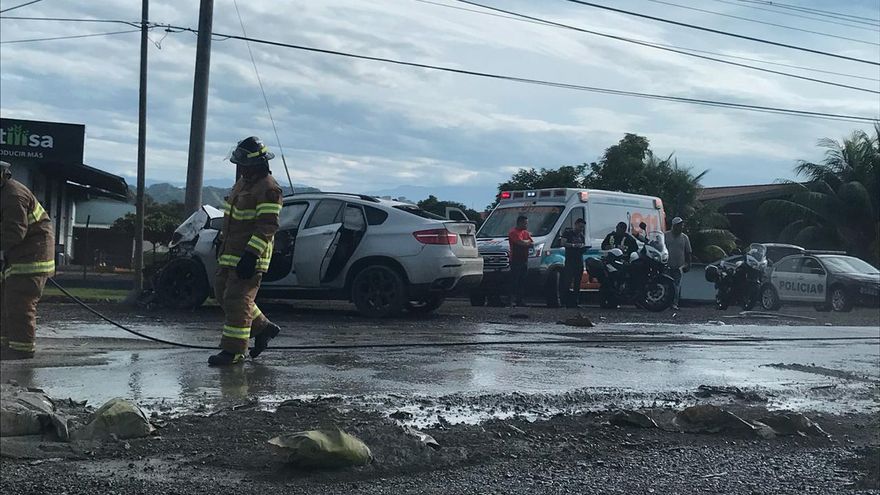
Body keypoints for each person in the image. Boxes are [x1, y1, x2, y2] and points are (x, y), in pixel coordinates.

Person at [208, 136, 284, 366]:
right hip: (231, 253)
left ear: (256, 164)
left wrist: (251, 255)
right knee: (222, 293)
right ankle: (263, 328)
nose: (240, 169)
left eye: (243, 164)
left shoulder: (269, 189)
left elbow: (267, 226)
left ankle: (233, 351)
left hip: (251, 256)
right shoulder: (243, 184)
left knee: (237, 300)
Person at [0, 160, 55, 360]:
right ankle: (6, 345)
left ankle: (21, 350)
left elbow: (14, 233)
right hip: (17, 257)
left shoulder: (13, 195)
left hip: (31, 259)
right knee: (5, 302)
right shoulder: (4, 193)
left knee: (19, 303)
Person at [558, 218, 587, 308]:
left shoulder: (581, 236)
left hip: (579, 261)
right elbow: (562, 243)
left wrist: (582, 247)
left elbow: (583, 245)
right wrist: (573, 245)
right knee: (567, 282)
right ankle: (564, 302)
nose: (581, 229)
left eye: (583, 227)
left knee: (577, 283)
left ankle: (575, 302)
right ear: (576, 224)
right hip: (570, 261)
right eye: (580, 226)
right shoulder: (568, 233)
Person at [665, 216, 692, 310]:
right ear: (674, 226)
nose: (680, 227)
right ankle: (666, 303)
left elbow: (688, 252)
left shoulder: (684, 238)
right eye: (678, 225)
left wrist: (688, 264)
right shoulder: (665, 235)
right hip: (666, 265)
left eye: (681, 225)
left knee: (676, 286)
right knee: (667, 285)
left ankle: (674, 303)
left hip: (679, 266)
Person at [507, 215, 533, 307]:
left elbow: (532, 243)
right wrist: (526, 242)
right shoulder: (513, 232)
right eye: (525, 223)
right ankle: (510, 300)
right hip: (515, 259)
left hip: (524, 258)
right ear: (520, 223)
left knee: (522, 280)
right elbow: (520, 242)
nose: (526, 225)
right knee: (514, 280)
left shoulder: (526, 233)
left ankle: (520, 300)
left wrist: (526, 242)